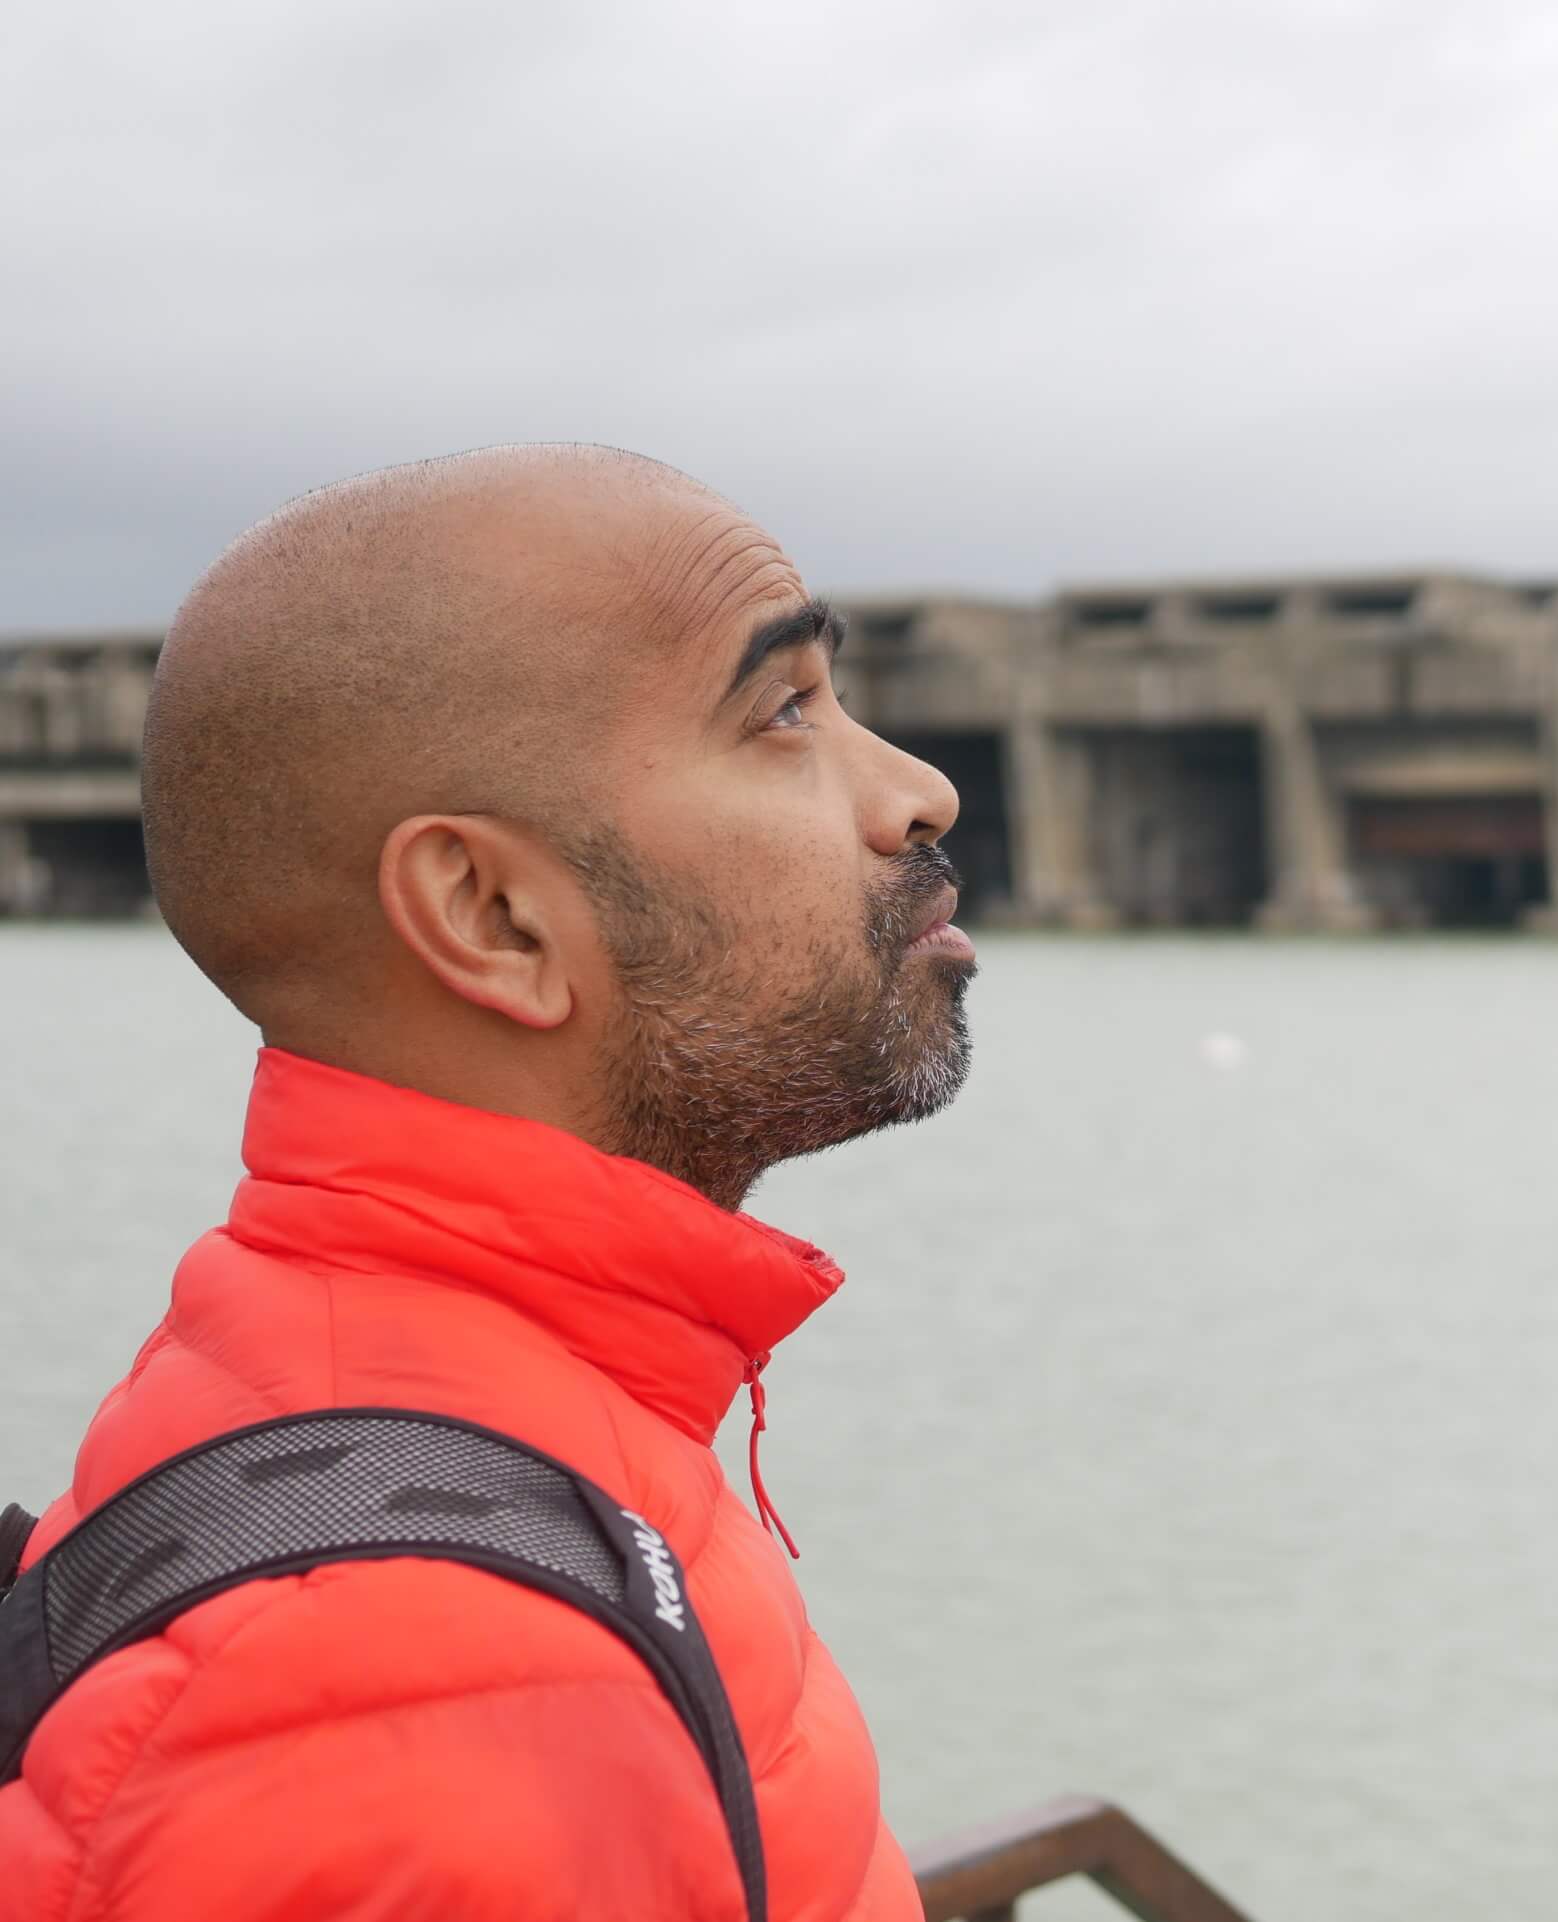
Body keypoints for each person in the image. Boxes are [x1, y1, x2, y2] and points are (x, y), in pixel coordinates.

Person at [0, 446, 974, 1921]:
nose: (920, 793)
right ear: (493, 914)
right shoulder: (414, 1693)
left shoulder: (435, 1392)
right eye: (780, 712)